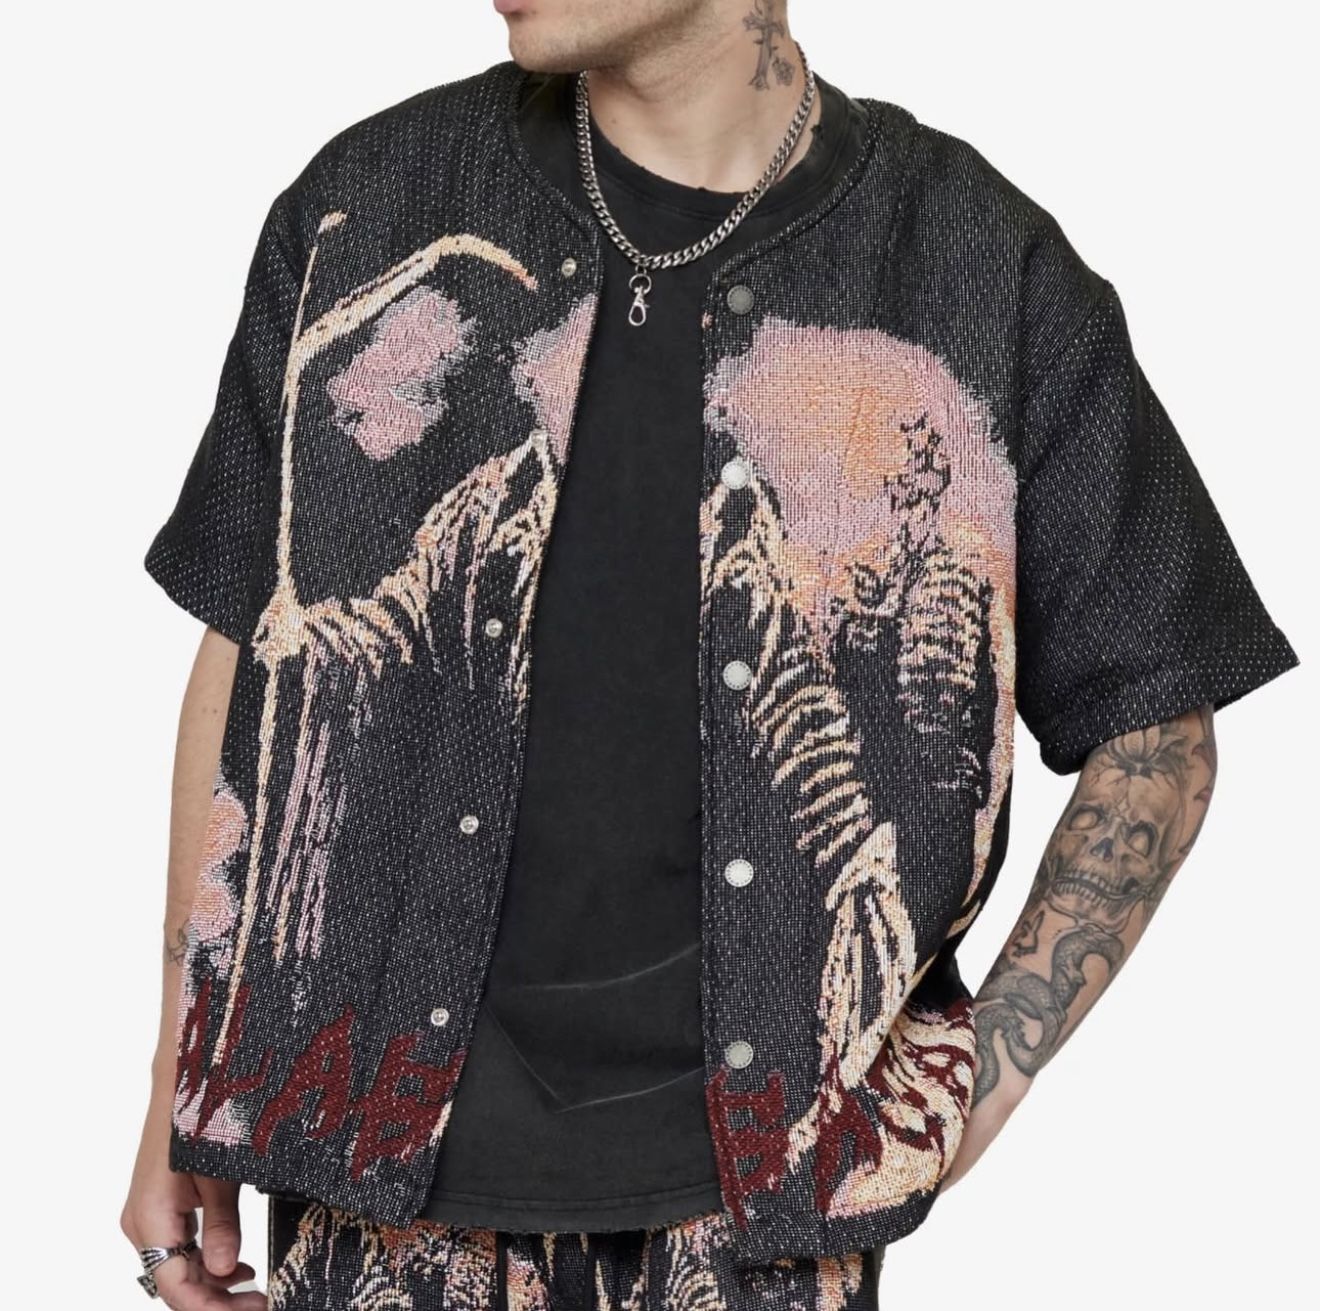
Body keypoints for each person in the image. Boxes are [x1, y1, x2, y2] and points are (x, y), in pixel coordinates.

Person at [120, 1, 1301, 1308]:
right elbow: (250, 648)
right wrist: (182, 1083)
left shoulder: (978, 264)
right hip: (363, 1163)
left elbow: (1157, 723)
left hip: (755, 1225)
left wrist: (970, 1083)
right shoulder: (373, 207)